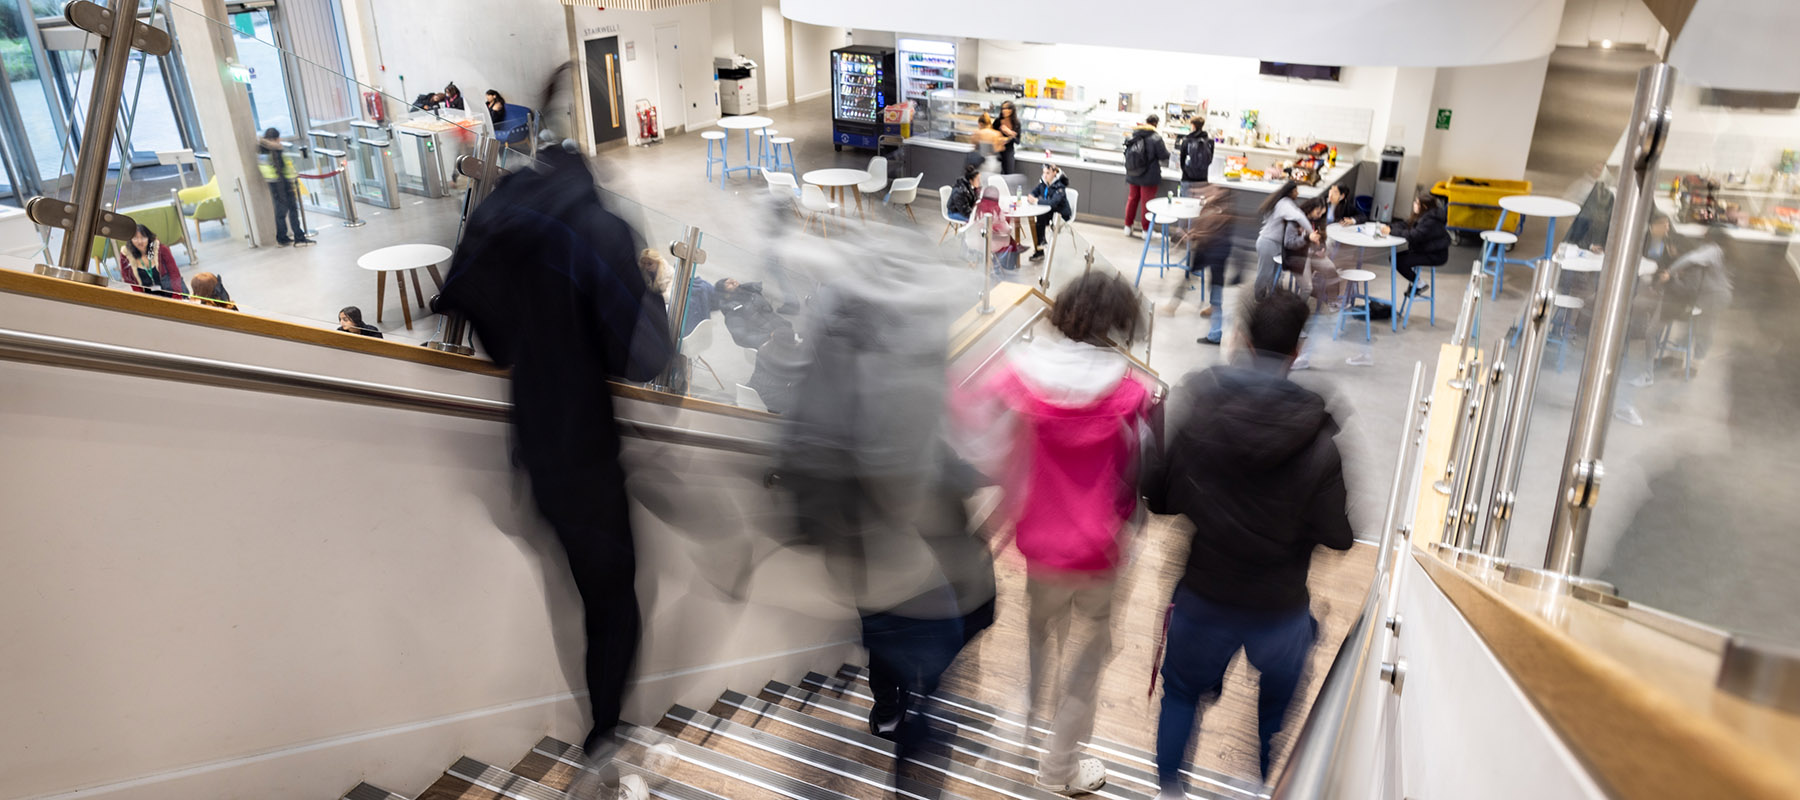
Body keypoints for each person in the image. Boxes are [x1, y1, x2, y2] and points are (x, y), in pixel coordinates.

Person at [439, 131, 674, 798]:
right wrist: (649, 286)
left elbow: (489, 331)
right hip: (585, 447)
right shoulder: (598, 229)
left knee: (582, 591)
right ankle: (605, 739)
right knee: (616, 600)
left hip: (532, 446)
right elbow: (645, 357)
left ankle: (603, 732)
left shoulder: (507, 210)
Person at [953, 270, 1156, 797]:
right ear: (1117, 325)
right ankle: (1057, 769)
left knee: (1040, 634)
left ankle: (1023, 713)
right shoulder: (1132, 394)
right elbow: (1141, 477)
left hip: (1039, 548)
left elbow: (969, 426)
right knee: (1088, 663)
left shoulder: (1019, 377)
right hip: (1099, 555)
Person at [1144, 289, 1354, 795]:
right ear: (1297, 350)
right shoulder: (1319, 439)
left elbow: (1159, 498)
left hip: (1204, 595)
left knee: (1179, 696)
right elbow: (1339, 535)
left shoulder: (1199, 404)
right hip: (1280, 610)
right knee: (1276, 706)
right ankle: (1263, 781)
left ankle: (1169, 790)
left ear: (1241, 339)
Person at [1170, 183, 1235, 346]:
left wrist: (1193, 236)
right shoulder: (1218, 209)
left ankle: (1215, 334)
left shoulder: (1218, 212)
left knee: (1212, 291)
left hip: (1212, 254)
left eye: (1213, 191)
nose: (1207, 193)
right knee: (1213, 290)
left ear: (1220, 195)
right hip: (1214, 255)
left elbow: (1209, 234)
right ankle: (1213, 327)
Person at [1380, 192, 1449, 296]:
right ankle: (1417, 283)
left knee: (1398, 261)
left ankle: (1419, 284)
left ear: (1424, 206)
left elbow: (1413, 235)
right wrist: (1390, 226)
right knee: (1394, 258)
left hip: (1435, 255)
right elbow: (1406, 224)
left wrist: (1390, 231)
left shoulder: (1431, 221)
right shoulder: (1424, 215)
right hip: (1425, 249)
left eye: (1417, 203)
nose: (1414, 204)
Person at [1254, 180, 1314, 296]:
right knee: (1265, 274)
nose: (1297, 193)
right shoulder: (1284, 203)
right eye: (1296, 191)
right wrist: (1311, 233)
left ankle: (1273, 297)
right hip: (1268, 243)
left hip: (1276, 244)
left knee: (1274, 274)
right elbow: (1299, 217)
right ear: (1290, 192)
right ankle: (1258, 297)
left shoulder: (1284, 203)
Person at [257, 129, 312, 247]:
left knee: (284, 211)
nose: (280, 140)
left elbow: (284, 165)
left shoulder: (274, 148)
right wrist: (278, 179)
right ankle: (297, 238)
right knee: (287, 210)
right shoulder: (268, 150)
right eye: (278, 137)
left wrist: (290, 176)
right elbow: (268, 168)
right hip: (279, 184)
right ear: (274, 138)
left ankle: (283, 238)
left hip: (282, 182)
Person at [1123, 114, 1171, 237]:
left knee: (1132, 199)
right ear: (1156, 124)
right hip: (1149, 175)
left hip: (1133, 173)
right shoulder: (1156, 138)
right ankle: (1146, 231)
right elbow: (1164, 155)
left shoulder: (1135, 134)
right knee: (1147, 203)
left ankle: (1127, 227)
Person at [714, 277, 792, 348]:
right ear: (725, 295)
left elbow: (769, 313)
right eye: (728, 284)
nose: (733, 282)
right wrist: (770, 337)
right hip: (771, 345)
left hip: (783, 333)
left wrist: (784, 324)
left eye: (732, 280)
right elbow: (742, 338)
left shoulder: (752, 293)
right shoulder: (733, 312)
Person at [117, 223, 186, 297]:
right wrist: (142, 297)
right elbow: (129, 279)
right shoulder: (126, 254)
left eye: (143, 237)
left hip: (171, 289)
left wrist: (177, 295)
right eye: (135, 238)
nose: (140, 242)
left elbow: (174, 274)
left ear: (149, 238)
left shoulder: (161, 249)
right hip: (148, 294)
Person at [1028, 162, 1072, 263]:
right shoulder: (1044, 183)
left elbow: (1053, 203)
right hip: (1051, 213)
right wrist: (1031, 196)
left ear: (1054, 173)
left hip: (1061, 215)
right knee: (1039, 219)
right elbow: (1035, 192)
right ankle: (1040, 246)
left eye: (1047, 173)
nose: (1045, 175)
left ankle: (1041, 245)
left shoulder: (1060, 187)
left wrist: (1036, 201)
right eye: (1044, 173)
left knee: (1040, 219)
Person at [1177, 119, 1214, 194]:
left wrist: (1186, 170)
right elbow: (1210, 160)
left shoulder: (1186, 140)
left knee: (1184, 203)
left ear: (1193, 126)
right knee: (1199, 204)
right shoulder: (1210, 142)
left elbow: (1182, 160)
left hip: (1187, 178)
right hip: (1202, 179)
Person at [971, 113, 1004, 179]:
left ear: (980, 124)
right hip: (994, 163)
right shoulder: (997, 134)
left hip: (982, 163)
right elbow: (1000, 148)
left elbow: (974, 146)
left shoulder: (977, 133)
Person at [996, 100, 1022, 175]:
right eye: (1003, 108)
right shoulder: (998, 121)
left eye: (1006, 108)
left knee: (1008, 176)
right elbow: (992, 135)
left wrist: (1010, 134)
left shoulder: (1016, 123)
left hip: (1008, 152)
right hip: (997, 151)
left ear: (1011, 110)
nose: (1004, 111)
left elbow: (1018, 141)